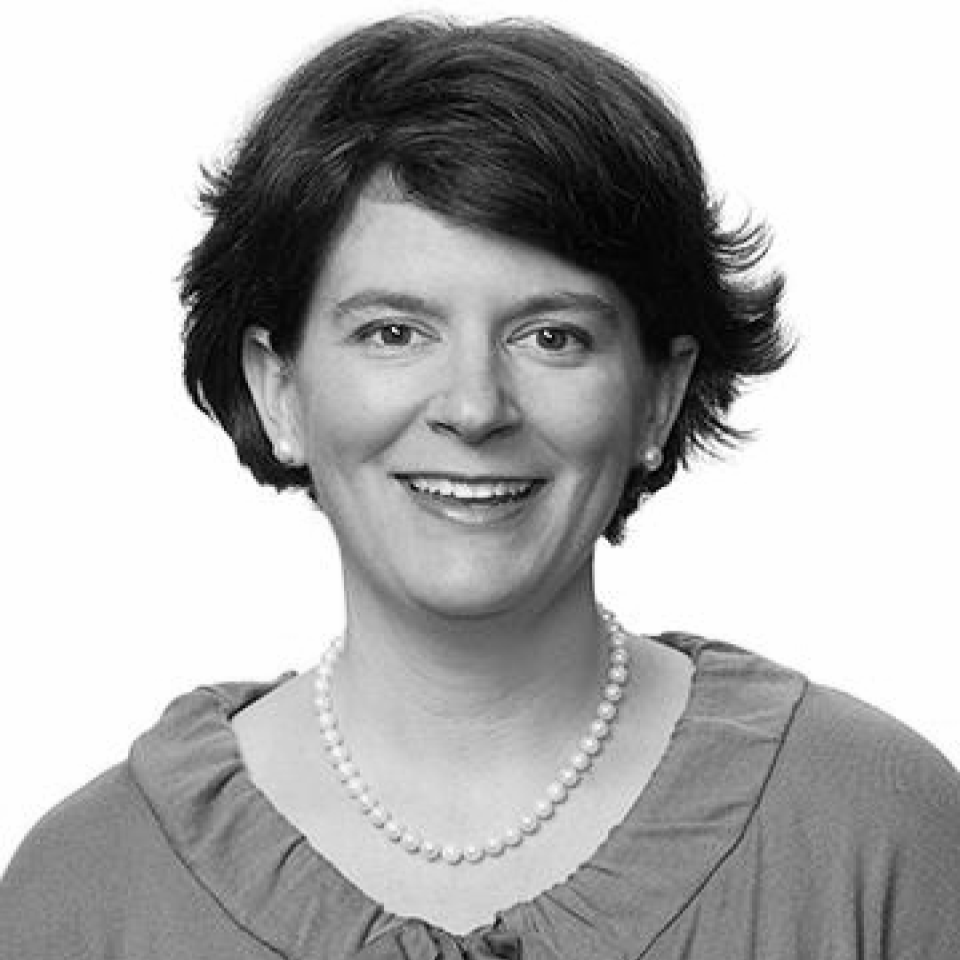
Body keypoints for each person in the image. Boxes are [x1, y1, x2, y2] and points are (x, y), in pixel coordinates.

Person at [2, 14, 958, 959]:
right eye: (393, 332)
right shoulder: (88, 888)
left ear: (659, 398)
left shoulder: (872, 827)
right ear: (278, 389)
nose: (474, 407)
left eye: (553, 337)